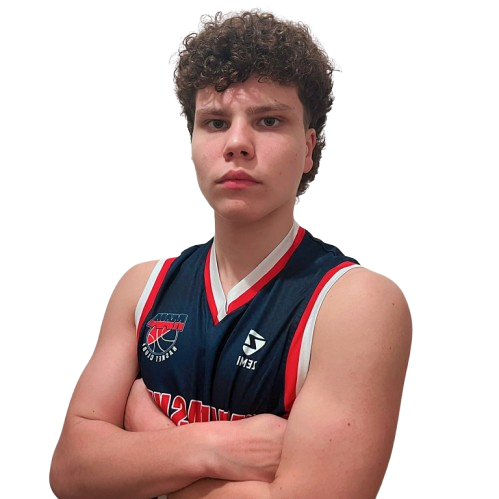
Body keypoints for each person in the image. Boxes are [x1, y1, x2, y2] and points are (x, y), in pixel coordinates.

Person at [49, 7, 412, 498]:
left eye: (268, 120)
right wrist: (210, 447)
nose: (237, 143)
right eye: (216, 122)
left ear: (308, 148)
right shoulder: (142, 286)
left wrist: (143, 439)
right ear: (192, 143)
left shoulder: (356, 304)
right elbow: (70, 471)